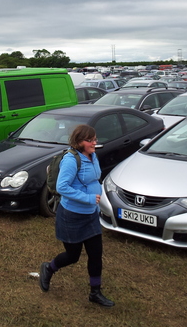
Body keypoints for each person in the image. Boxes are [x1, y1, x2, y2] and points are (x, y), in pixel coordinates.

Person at [39, 124, 114, 307]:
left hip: (91, 215)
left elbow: (94, 179)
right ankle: (49, 268)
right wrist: (88, 198)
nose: (94, 143)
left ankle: (95, 292)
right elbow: (62, 187)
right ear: (79, 142)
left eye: (95, 139)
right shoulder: (71, 160)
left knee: (96, 255)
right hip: (72, 216)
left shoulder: (92, 155)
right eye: (90, 140)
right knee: (73, 256)